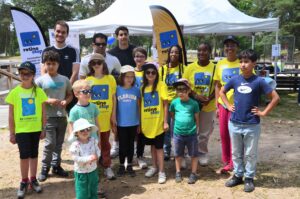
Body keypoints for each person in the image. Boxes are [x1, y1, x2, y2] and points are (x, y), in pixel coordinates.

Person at [220, 49, 280, 192]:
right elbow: (222, 92)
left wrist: (264, 112)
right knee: (236, 152)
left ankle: (249, 178)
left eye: (246, 62)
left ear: (254, 63)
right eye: (241, 61)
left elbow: (276, 98)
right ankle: (238, 175)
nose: (243, 65)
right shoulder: (235, 80)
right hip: (234, 123)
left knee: (250, 153)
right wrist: (228, 105)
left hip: (252, 124)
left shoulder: (259, 81)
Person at [6, 61, 48, 198]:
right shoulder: (14, 92)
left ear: (33, 75)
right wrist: (12, 133)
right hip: (22, 131)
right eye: (22, 73)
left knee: (34, 155)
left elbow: (43, 112)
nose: (24, 76)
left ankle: (33, 179)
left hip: (35, 129)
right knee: (24, 156)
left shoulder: (39, 92)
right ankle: (24, 181)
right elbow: (11, 115)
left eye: (28, 73)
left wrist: (43, 128)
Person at [36, 50, 73, 182]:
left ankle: (56, 165)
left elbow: (70, 94)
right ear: (45, 64)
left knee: (59, 143)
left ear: (58, 64)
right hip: (48, 117)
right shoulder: (40, 81)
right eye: (48, 63)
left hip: (62, 116)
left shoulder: (65, 79)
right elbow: (36, 98)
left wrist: (66, 101)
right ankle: (45, 168)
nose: (51, 66)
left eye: (53, 63)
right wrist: (47, 100)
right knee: (49, 143)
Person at [184, 42, 216, 166]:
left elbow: (218, 85)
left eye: (205, 50)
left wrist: (210, 98)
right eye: (199, 50)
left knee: (204, 132)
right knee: (188, 130)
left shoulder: (214, 67)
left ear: (210, 52)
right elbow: (184, 84)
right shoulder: (190, 68)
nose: (201, 53)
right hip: (192, 104)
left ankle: (202, 152)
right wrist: (195, 95)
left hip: (208, 106)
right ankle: (187, 152)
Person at [86, 53, 117, 180]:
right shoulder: (87, 81)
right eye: (94, 63)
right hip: (92, 120)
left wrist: (113, 115)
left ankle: (107, 165)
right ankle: (93, 168)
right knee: (92, 144)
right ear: (90, 65)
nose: (97, 65)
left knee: (105, 143)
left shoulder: (110, 79)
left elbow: (113, 98)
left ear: (103, 63)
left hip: (106, 118)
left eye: (99, 62)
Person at [214, 35, 240, 173]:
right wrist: (216, 106)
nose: (229, 48)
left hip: (237, 105)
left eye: (232, 45)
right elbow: (217, 85)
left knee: (234, 134)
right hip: (223, 104)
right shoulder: (220, 64)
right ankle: (227, 162)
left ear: (237, 47)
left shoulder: (242, 62)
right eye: (227, 45)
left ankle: (235, 161)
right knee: (224, 134)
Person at [109, 26, 136, 158]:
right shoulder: (112, 52)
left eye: (125, 34)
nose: (123, 36)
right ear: (116, 36)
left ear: (128, 36)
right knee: (118, 117)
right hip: (118, 88)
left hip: (132, 88)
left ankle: (133, 147)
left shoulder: (134, 50)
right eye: (121, 34)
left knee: (132, 117)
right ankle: (116, 144)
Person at [41, 20, 80, 113]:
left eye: (63, 32)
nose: (60, 34)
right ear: (54, 32)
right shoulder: (46, 50)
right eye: (58, 31)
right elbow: (43, 72)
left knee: (72, 122)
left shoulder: (73, 51)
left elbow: (75, 73)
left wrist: (66, 89)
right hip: (52, 93)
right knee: (52, 123)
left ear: (67, 34)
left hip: (69, 93)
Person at [140, 63, 169, 184]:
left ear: (156, 74)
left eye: (153, 72)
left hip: (158, 123)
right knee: (152, 147)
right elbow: (140, 106)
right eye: (148, 72)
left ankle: (162, 171)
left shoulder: (161, 85)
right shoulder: (142, 88)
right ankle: (154, 167)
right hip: (147, 123)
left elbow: (165, 104)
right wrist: (140, 124)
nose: (150, 74)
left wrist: (165, 121)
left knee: (159, 148)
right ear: (145, 74)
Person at [169, 79, 200, 184]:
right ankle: (178, 172)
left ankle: (193, 173)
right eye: (178, 90)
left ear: (189, 91)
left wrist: (196, 130)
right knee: (177, 154)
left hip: (191, 133)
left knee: (194, 154)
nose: (180, 92)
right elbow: (172, 115)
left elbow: (196, 119)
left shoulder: (194, 104)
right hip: (178, 133)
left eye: (183, 90)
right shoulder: (174, 103)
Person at [113, 65, 140, 177]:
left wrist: (139, 122)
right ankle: (121, 165)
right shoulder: (117, 89)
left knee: (130, 145)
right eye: (127, 76)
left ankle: (129, 165)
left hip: (133, 122)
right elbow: (114, 106)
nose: (129, 79)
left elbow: (138, 107)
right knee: (122, 145)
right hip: (121, 123)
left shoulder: (136, 90)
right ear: (122, 77)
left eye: (132, 77)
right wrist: (114, 120)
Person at [159, 44, 185, 161]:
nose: (174, 54)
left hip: (179, 104)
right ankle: (166, 151)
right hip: (165, 104)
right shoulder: (163, 69)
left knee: (177, 129)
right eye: (172, 52)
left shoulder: (184, 68)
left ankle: (177, 152)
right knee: (166, 129)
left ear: (180, 55)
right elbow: (158, 86)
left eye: (176, 52)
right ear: (168, 54)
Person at [69, 118, 100, 199]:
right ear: (76, 133)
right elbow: (76, 158)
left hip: (92, 170)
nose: (85, 131)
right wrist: (88, 158)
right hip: (81, 172)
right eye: (82, 130)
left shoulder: (93, 140)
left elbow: (97, 150)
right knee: (82, 192)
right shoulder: (75, 145)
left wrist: (97, 156)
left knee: (93, 188)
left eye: (87, 129)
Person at [132, 47, 148, 169]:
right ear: (134, 58)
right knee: (131, 131)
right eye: (137, 56)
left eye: (141, 56)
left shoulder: (149, 72)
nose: (139, 58)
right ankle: (130, 155)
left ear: (145, 58)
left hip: (145, 105)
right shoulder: (130, 72)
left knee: (141, 132)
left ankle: (140, 155)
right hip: (132, 106)